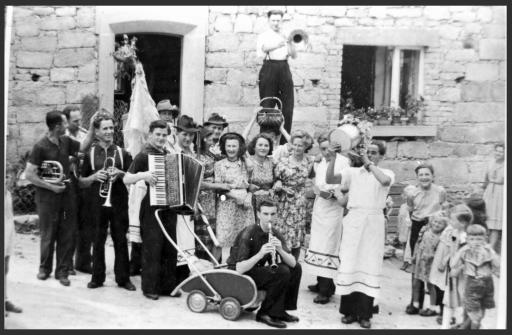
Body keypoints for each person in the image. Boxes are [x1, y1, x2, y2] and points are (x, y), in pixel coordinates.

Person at [325, 140, 395, 329]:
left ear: (381, 156)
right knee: (351, 262)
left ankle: (365, 314)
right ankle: (348, 312)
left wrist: (368, 163)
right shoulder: (353, 173)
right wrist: (332, 158)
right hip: (354, 220)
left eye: (374, 153)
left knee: (368, 264)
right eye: (368, 152)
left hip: (373, 223)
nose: (370, 155)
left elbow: (385, 182)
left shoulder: (386, 173)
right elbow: (331, 179)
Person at [123, 120, 181, 300]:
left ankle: (167, 286)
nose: (161, 138)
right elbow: (126, 178)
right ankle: (150, 288)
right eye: (158, 134)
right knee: (153, 247)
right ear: (150, 135)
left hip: (169, 207)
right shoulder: (143, 155)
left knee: (170, 247)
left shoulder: (169, 154)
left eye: (164, 135)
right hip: (151, 208)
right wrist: (144, 176)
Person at [79, 113, 135, 291]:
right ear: (96, 131)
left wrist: (120, 173)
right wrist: (94, 176)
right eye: (105, 128)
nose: (110, 131)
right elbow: (80, 181)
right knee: (98, 240)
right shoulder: (90, 153)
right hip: (96, 203)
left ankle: (123, 279)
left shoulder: (122, 152)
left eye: (111, 128)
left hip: (118, 202)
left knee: (120, 239)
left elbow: (132, 177)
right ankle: (97, 277)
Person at [24, 110, 81, 287]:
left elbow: (82, 147)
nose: (68, 126)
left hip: (65, 196)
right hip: (47, 198)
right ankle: (44, 269)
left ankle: (62, 271)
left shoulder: (65, 141)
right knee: (48, 234)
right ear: (57, 127)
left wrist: (94, 130)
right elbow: (30, 175)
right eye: (65, 123)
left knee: (66, 233)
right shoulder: (40, 146)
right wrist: (52, 187)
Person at [227, 199, 301, 329]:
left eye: (273, 214)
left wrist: (280, 250)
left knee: (295, 269)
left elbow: (293, 263)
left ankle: (279, 311)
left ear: (277, 215)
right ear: (258, 214)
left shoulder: (275, 233)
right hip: (239, 274)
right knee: (282, 272)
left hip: (256, 270)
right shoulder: (249, 233)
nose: (269, 218)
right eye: (266, 214)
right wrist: (260, 254)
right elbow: (239, 269)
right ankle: (264, 313)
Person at [304, 133, 350, 304]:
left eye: (327, 148)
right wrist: (313, 162)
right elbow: (311, 176)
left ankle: (326, 290)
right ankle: (320, 282)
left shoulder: (343, 162)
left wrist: (324, 193)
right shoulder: (321, 161)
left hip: (332, 209)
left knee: (328, 247)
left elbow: (343, 190)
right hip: (320, 208)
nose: (324, 152)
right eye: (321, 148)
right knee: (317, 244)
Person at [405, 163, 447, 313]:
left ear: (433, 176)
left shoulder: (440, 191)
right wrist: (419, 226)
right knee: (417, 263)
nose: (424, 177)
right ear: (417, 178)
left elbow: (444, 209)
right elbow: (411, 211)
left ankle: (437, 305)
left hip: (436, 228)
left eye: (427, 174)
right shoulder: (412, 194)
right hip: (418, 227)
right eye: (421, 175)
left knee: (435, 265)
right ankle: (415, 303)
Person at [62, 105, 96, 275]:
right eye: (75, 121)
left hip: (84, 181)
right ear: (66, 121)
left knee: (86, 223)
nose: (78, 123)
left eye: (79, 120)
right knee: (70, 225)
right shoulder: (62, 137)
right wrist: (75, 156)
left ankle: (83, 262)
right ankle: (66, 263)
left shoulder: (84, 134)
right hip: (69, 183)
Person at [256, 9, 297, 143]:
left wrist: (290, 42)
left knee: (288, 108)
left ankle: (285, 144)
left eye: (278, 20)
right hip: (269, 68)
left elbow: (294, 55)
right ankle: (264, 143)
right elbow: (263, 49)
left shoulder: (286, 35)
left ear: (281, 21)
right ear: (269, 21)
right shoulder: (264, 35)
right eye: (273, 20)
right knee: (267, 107)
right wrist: (278, 44)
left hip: (284, 68)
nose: (276, 23)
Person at [214, 132, 256, 262]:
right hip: (227, 204)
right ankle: (219, 267)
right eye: (228, 146)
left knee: (244, 237)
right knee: (223, 238)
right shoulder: (219, 165)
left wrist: (248, 196)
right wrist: (233, 196)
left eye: (234, 146)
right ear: (224, 147)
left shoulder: (247, 164)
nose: (231, 149)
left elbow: (253, 184)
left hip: (245, 206)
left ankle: (239, 267)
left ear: (240, 148)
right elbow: (218, 186)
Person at [449, 224, 500, 329]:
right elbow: (453, 264)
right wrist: (461, 250)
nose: (476, 242)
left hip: (487, 282)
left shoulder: (487, 251)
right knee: (474, 313)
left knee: (482, 308)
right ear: (467, 239)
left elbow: (498, 264)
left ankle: (467, 327)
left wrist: (491, 250)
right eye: (472, 239)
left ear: (485, 239)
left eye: (479, 239)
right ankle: (470, 327)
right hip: (473, 282)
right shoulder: (466, 251)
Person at [430, 204, 473, 325]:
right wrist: (445, 260)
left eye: (453, 220)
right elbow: (452, 249)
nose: (450, 221)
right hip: (452, 273)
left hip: (461, 274)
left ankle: (460, 323)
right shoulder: (454, 232)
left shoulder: (466, 237)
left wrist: (459, 269)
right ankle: (446, 324)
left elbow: (467, 258)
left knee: (460, 298)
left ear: (463, 223)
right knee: (449, 299)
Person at [273, 132, 315, 260]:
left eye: (300, 145)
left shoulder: (309, 161)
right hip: (284, 201)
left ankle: (293, 265)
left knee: (296, 233)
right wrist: (279, 183)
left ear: (306, 147)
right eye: (295, 145)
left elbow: (313, 178)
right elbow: (274, 179)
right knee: (281, 232)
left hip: (299, 202)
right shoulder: (283, 160)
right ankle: (279, 264)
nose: (297, 148)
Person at [194, 127, 229, 261]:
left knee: (216, 234)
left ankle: (214, 264)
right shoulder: (197, 156)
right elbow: (197, 182)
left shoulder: (210, 154)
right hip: (203, 198)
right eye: (208, 137)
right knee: (205, 234)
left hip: (214, 199)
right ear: (202, 139)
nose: (211, 139)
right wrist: (217, 185)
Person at [410, 213, 449, 317]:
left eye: (440, 223)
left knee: (430, 285)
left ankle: (432, 308)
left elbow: (439, 252)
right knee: (416, 283)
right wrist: (414, 256)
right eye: (435, 221)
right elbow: (418, 244)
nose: (436, 224)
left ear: (444, 226)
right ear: (431, 222)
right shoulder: (425, 231)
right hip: (420, 260)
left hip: (430, 263)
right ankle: (416, 304)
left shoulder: (441, 237)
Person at [5, 165, 23, 316]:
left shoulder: (8, 195)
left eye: (8, 177)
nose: (6, 180)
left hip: (7, 233)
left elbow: (9, 218)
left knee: (5, 268)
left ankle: (4, 300)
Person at [246, 133, 276, 214]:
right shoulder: (248, 160)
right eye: (260, 145)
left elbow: (276, 179)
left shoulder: (272, 161)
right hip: (251, 201)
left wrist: (274, 187)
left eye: (266, 145)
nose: (263, 148)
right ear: (254, 147)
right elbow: (243, 137)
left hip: (269, 201)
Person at [482, 143, 504, 253]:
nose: (498, 153)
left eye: (501, 151)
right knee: (486, 218)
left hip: (501, 193)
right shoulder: (490, 163)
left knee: (496, 222)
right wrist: (483, 192)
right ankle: (484, 246)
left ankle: (491, 248)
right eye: (497, 151)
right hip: (489, 192)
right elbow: (485, 179)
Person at [398, 185, 416, 271]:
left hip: (411, 228)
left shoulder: (415, 206)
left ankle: (409, 262)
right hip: (403, 227)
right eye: (406, 195)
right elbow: (400, 218)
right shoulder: (402, 206)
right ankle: (404, 261)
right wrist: (398, 229)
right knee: (404, 244)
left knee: (410, 245)